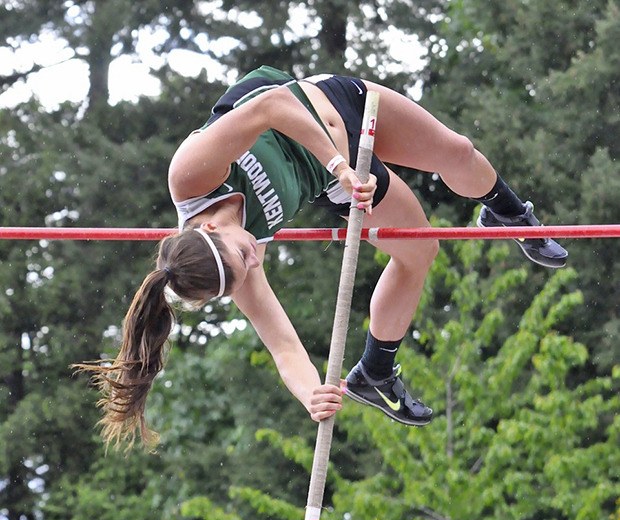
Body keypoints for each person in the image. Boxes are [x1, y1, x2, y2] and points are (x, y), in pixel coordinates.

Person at [78, 65, 568, 449]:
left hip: (332, 108)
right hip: (340, 177)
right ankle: (376, 371)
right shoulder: (236, 270)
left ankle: (509, 215)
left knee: (458, 152)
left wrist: (337, 163)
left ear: (209, 228)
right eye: (245, 272)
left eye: (243, 255)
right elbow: (283, 346)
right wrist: (311, 393)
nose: (254, 263)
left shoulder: (191, 176)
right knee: (420, 250)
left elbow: (270, 105)